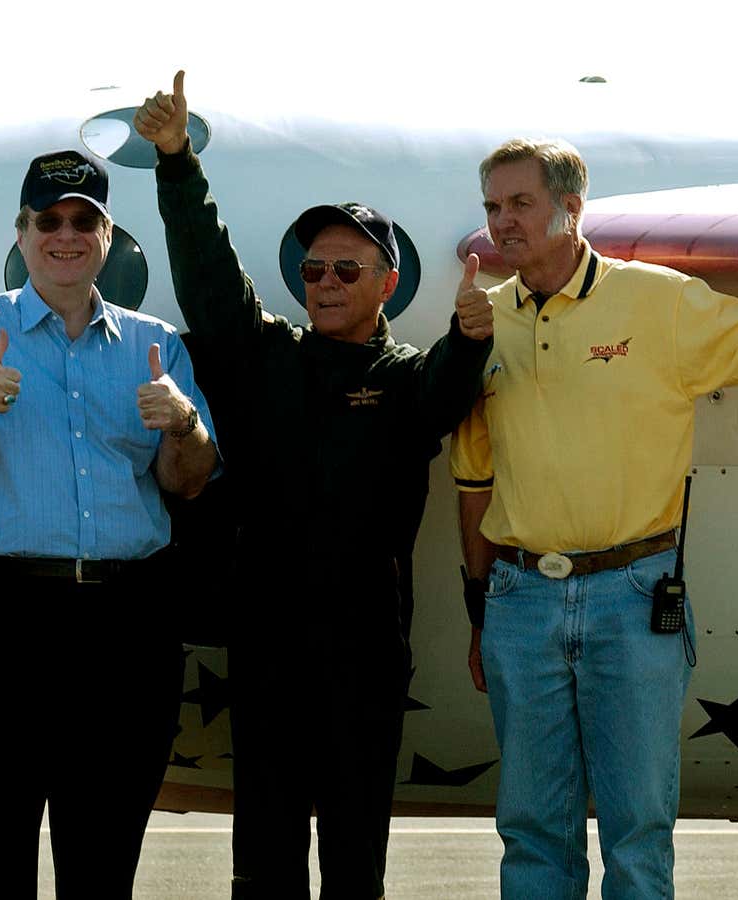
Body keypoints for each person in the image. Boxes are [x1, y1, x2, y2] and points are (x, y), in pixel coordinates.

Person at [135, 71, 494, 900]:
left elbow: (445, 392)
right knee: (263, 847)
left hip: (366, 651)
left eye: (344, 268)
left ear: (385, 284)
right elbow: (211, 278)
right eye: (313, 268)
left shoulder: (404, 379)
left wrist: (471, 339)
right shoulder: (268, 357)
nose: (324, 281)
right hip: (264, 640)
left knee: (353, 848)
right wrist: (177, 163)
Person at [451, 139, 738, 898]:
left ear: (571, 207)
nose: (503, 222)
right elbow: (473, 482)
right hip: (519, 602)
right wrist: (480, 613)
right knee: (532, 836)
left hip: (634, 596)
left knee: (638, 833)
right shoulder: (483, 324)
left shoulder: (658, 300)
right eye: (493, 206)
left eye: (520, 203)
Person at [0, 148, 220, 898]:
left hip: (125, 623)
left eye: (85, 220)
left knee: (103, 862)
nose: (65, 235)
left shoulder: (154, 345)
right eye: (49, 220)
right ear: (22, 233)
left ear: (109, 237)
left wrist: (183, 427)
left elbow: (188, 483)